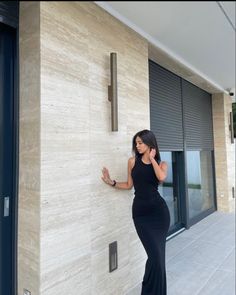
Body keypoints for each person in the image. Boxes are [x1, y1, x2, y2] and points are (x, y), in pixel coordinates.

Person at [101, 129, 171, 295]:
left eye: (140, 143)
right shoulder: (132, 162)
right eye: (136, 143)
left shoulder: (162, 163)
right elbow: (129, 185)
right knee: (155, 257)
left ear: (150, 144)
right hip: (141, 215)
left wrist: (152, 159)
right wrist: (111, 182)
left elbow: (161, 177)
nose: (137, 146)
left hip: (160, 214)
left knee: (158, 259)